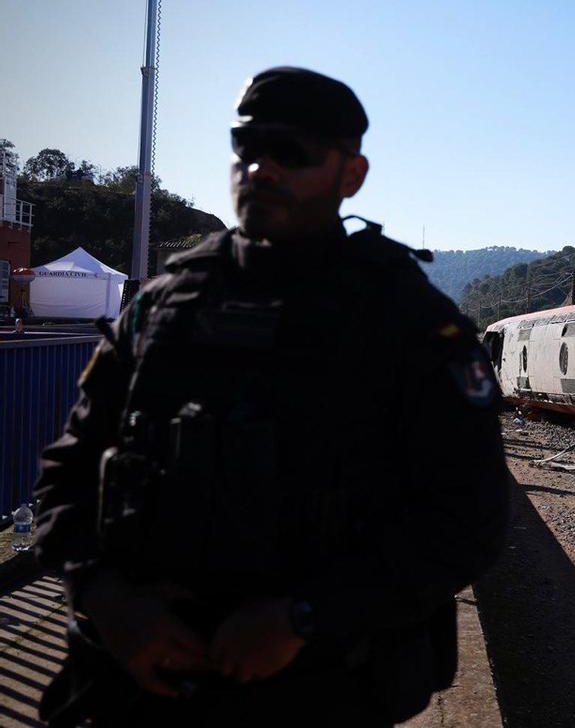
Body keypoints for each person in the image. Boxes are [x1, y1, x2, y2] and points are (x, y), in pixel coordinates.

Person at [33, 67, 510, 727]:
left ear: (352, 175)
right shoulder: (163, 305)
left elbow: (471, 520)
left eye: (293, 154)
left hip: (314, 694)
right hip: (131, 686)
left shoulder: (410, 325)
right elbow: (68, 471)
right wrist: (107, 598)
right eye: (247, 146)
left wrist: (303, 616)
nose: (259, 169)